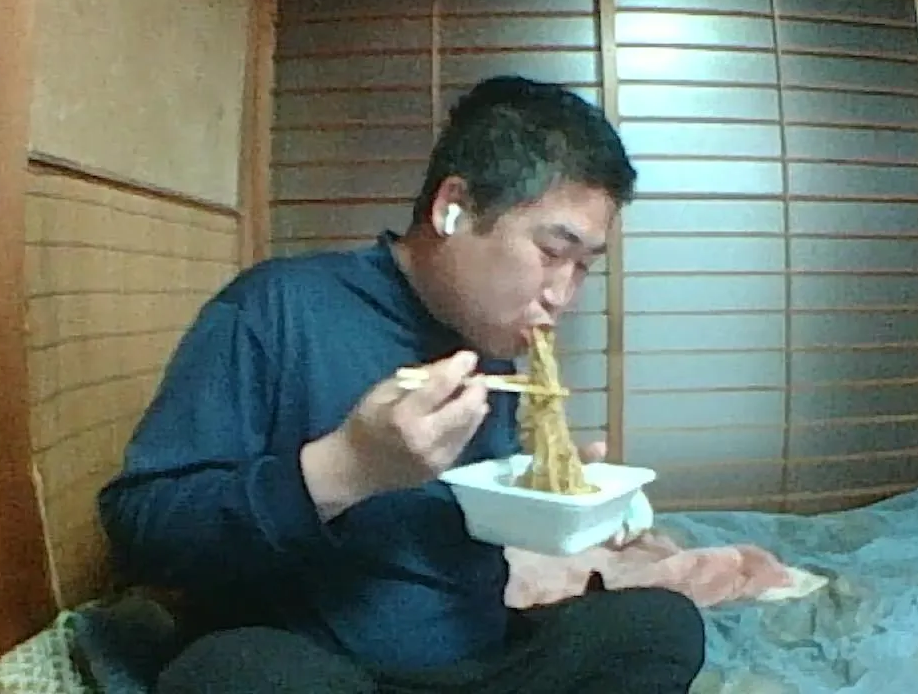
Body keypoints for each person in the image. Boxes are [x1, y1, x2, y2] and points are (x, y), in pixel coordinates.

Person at [97, 75, 706, 693]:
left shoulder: (492, 345)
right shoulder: (276, 306)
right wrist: (345, 467)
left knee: (660, 625)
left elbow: (465, 525)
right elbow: (141, 529)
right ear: (452, 207)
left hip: (480, 665)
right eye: (552, 253)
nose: (562, 295)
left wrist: (549, 494)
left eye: (583, 267)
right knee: (229, 673)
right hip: (326, 669)